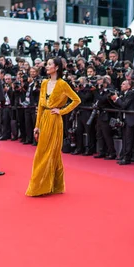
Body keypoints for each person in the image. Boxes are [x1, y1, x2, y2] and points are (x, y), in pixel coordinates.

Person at [26, 57, 81, 196]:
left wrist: (61, 111)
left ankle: (39, 187)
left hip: (54, 120)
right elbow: (40, 104)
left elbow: (76, 100)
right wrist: (36, 125)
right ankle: (54, 185)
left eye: (50, 64)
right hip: (44, 118)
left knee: (49, 152)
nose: (47, 66)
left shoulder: (63, 84)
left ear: (57, 67)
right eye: (47, 64)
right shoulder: (44, 82)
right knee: (44, 152)